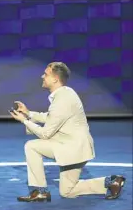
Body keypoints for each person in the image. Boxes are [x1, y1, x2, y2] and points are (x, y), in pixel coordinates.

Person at [9, 62, 126, 202]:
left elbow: (45, 134)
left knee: (32, 146)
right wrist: (29, 113)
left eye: (45, 74)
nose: (42, 76)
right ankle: (111, 182)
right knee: (67, 192)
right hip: (76, 148)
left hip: (72, 148)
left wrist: (24, 120)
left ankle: (39, 191)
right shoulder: (65, 94)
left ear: (55, 79)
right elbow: (52, 118)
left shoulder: (63, 99)